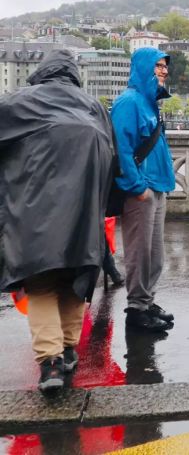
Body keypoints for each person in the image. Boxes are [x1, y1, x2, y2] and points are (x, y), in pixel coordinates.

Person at [0, 51, 116, 395]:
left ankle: (50, 362)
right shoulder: (93, 106)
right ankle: (67, 350)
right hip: (85, 209)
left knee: (41, 284)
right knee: (74, 281)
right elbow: (116, 160)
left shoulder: (19, 102)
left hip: (34, 210)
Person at [110, 47, 177, 332]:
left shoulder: (150, 103)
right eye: (157, 66)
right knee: (139, 252)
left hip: (157, 186)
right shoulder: (129, 102)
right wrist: (137, 187)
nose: (163, 70)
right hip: (142, 189)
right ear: (142, 68)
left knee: (155, 254)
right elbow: (122, 149)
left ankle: (147, 301)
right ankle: (136, 309)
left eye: (164, 66)